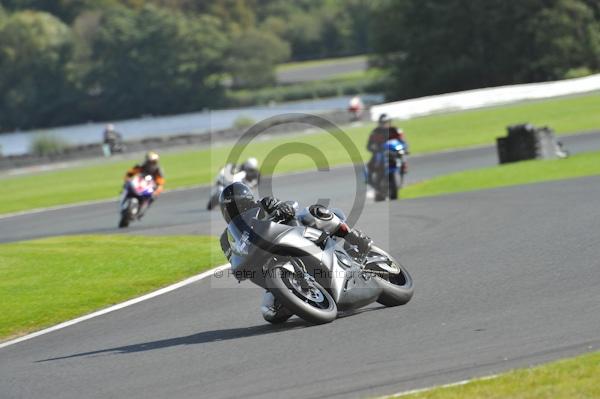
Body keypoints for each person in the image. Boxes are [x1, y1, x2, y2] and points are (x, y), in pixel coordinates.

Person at [218, 182, 372, 322]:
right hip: (268, 268)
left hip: (298, 238)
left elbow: (289, 205)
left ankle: (354, 238)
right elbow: (233, 259)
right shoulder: (226, 238)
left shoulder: (264, 204)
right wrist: (239, 270)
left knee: (314, 212)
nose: (236, 210)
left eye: (239, 205)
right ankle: (300, 295)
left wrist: (283, 208)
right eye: (231, 208)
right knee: (270, 312)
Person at [366, 114, 409, 186]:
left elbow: (403, 142)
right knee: (371, 164)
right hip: (380, 152)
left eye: (387, 122)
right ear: (380, 123)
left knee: (402, 154)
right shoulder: (375, 132)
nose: (385, 124)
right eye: (383, 123)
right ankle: (372, 179)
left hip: (394, 151)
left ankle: (403, 170)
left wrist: (403, 148)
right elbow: (369, 145)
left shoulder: (396, 130)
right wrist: (374, 149)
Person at [124, 151, 165, 218]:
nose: (151, 164)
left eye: (153, 162)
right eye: (150, 162)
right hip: (139, 183)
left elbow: (160, 182)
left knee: (153, 196)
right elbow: (130, 173)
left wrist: (158, 188)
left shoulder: (158, 169)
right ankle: (125, 199)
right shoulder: (140, 166)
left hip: (150, 185)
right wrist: (127, 179)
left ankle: (143, 209)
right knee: (127, 186)